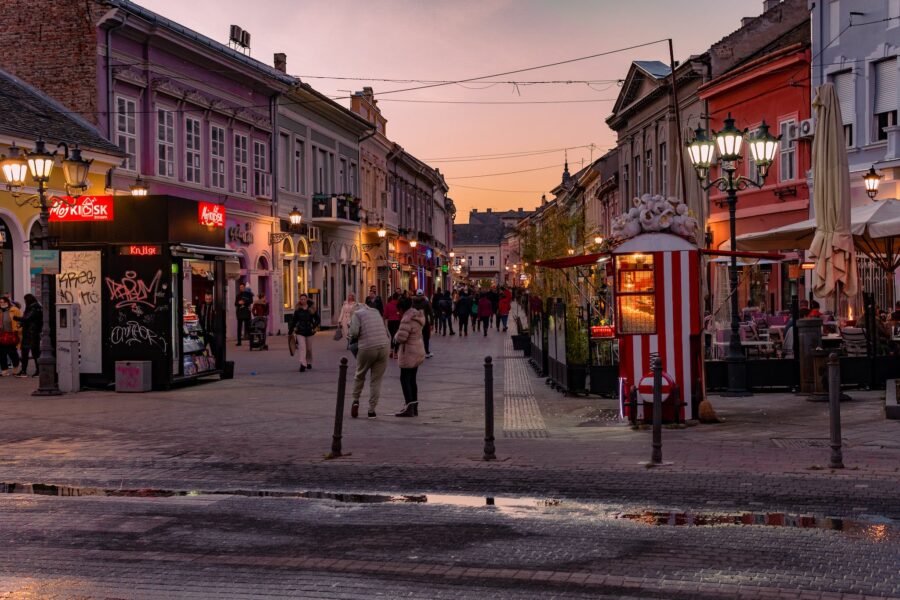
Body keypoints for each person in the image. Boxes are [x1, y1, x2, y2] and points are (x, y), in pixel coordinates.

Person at [348, 301, 390, 419]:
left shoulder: (357, 314)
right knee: (376, 380)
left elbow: (354, 333)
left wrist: (351, 329)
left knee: (360, 375)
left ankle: (355, 400)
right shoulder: (375, 312)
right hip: (384, 346)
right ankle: (372, 410)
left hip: (367, 347)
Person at [393, 296, 425, 417]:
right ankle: (414, 407)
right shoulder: (416, 316)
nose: (398, 312)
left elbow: (401, 337)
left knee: (405, 379)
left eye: (399, 310)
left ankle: (409, 407)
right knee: (412, 379)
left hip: (409, 352)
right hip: (417, 349)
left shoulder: (406, 319)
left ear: (402, 308)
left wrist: (395, 336)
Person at [12, 293, 42, 378]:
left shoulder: (33, 307)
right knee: (34, 353)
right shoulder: (35, 307)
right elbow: (29, 320)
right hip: (32, 333)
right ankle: (31, 371)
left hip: (30, 333)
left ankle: (25, 371)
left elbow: (27, 318)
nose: (24, 302)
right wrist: (22, 324)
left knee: (27, 353)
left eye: (25, 300)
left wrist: (16, 318)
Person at [289, 294, 320, 372]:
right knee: (302, 348)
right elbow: (294, 321)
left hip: (309, 331)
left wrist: (314, 326)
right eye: (301, 299)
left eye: (304, 299)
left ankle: (309, 362)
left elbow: (317, 319)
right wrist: (290, 330)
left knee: (309, 349)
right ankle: (303, 364)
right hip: (300, 331)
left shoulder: (312, 309)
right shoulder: (298, 310)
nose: (302, 300)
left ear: (307, 300)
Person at [0, 295, 22, 377]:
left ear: (7, 302)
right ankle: (4, 370)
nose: (1, 304)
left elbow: (20, 320)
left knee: (12, 352)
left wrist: (18, 329)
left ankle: (16, 368)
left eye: (3, 302)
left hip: (11, 334)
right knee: (2, 353)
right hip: (2, 334)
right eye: (0, 302)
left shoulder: (14, 310)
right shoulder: (0, 311)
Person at [413, 290, 434, 358]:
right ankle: (426, 352)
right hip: (424, 321)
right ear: (423, 294)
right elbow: (431, 313)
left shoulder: (413, 303)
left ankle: (417, 352)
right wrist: (432, 323)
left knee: (416, 337)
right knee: (426, 337)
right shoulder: (426, 302)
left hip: (416, 322)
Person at [384, 292, 402, 358]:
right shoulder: (399, 305)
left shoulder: (388, 305)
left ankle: (391, 350)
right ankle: (396, 353)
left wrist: (385, 319)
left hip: (390, 322)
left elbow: (385, 314)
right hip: (397, 321)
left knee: (392, 336)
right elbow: (401, 313)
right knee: (397, 336)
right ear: (398, 297)